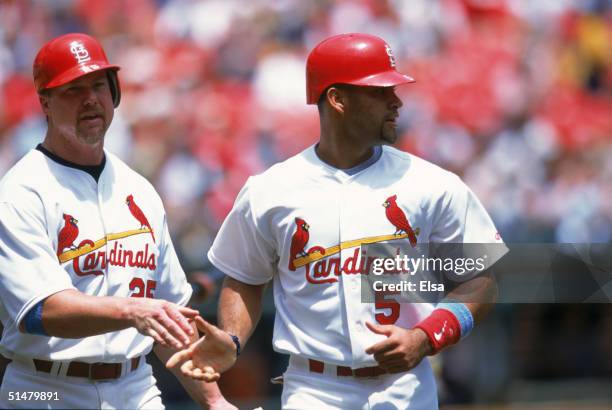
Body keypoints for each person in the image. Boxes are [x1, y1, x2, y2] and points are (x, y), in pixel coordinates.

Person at [168, 33, 506, 409]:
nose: (396, 102)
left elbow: (482, 282)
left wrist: (427, 337)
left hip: (405, 388)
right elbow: (245, 279)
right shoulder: (270, 190)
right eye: (380, 92)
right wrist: (232, 339)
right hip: (313, 388)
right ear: (337, 99)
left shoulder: (433, 185)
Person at [0, 33, 234, 410]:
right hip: (43, 387)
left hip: (136, 386)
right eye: (73, 89)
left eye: (98, 85)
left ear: (114, 95)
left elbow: (168, 319)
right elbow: (44, 311)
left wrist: (216, 402)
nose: (90, 98)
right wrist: (133, 310)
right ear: (45, 102)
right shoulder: (21, 191)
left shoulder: (139, 190)